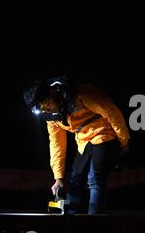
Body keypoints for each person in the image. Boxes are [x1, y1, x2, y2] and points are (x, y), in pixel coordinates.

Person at [23, 76, 130, 214]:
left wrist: (123, 142)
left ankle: (94, 224)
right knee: (74, 181)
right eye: (43, 109)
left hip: (104, 135)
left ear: (52, 93)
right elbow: (57, 144)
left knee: (95, 179)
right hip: (84, 141)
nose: (47, 110)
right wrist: (58, 177)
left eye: (47, 105)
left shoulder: (82, 94)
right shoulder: (51, 117)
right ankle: (70, 223)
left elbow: (112, 112)